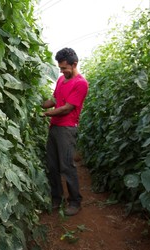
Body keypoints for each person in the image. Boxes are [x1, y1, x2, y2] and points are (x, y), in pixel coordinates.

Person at [42, 48, 89, 216]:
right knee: (52, 165)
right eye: (60, 68)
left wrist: (47, 113)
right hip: (55, 127)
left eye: (64, 68)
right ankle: (56, 198)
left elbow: (67, 108)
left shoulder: (81, 83)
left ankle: (75, 201)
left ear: (74, 64)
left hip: (67, 129)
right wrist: (42, 104)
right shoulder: (61, 80)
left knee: (67, 166)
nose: (61, 71)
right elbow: (54, 99)